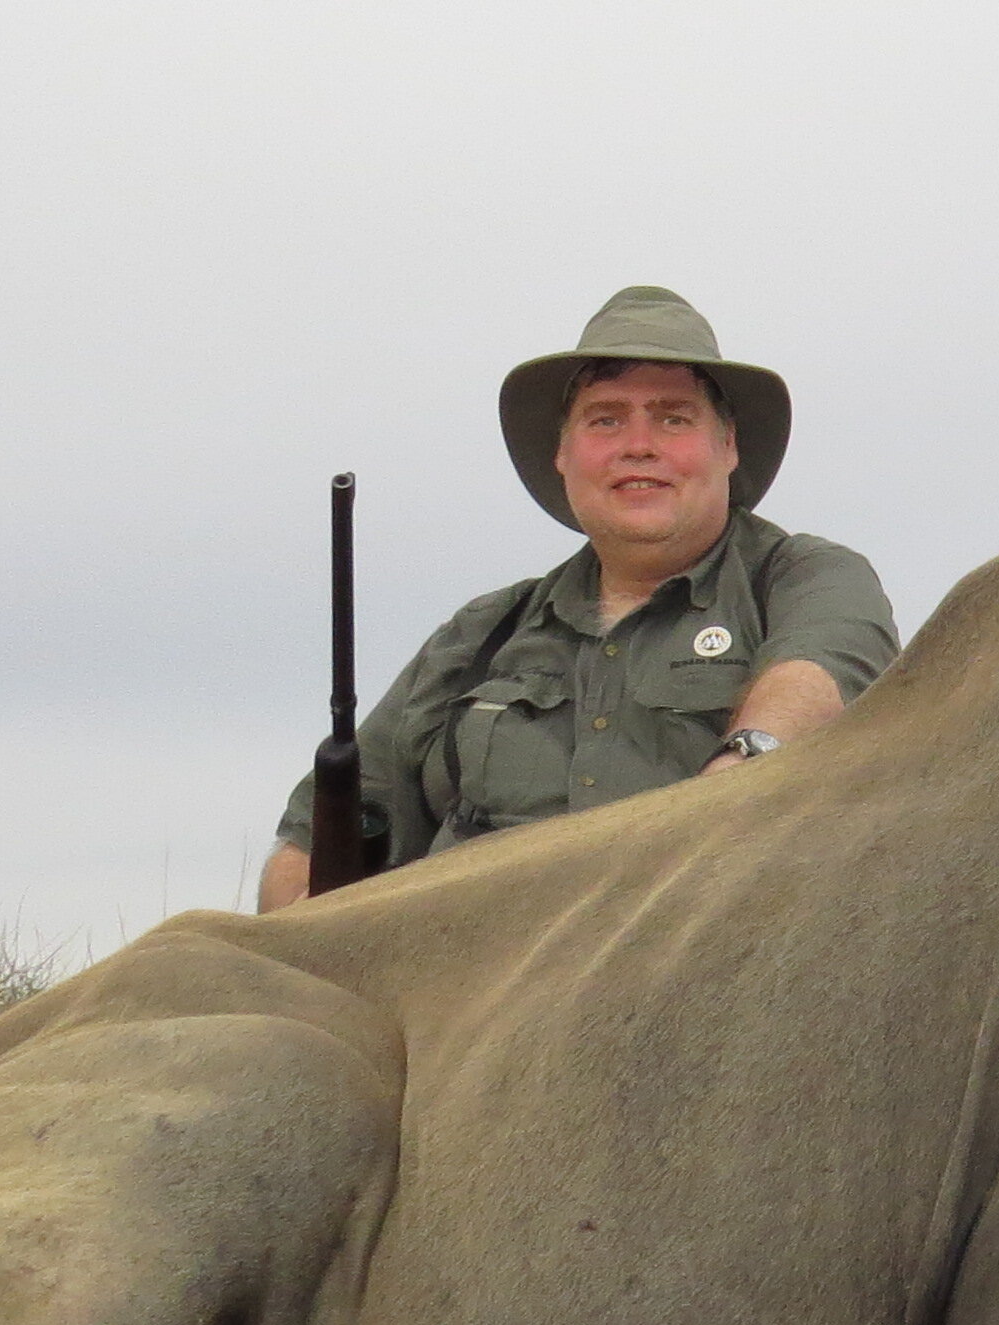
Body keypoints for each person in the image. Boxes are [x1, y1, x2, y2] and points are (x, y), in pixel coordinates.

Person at [257, 288, 896, 909]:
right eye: (606, 419)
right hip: (456, 978)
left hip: (701, 947)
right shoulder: (482, 634)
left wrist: (741, 770)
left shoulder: (805, 578)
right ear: (563, 454)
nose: (638, 444)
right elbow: (305, 855)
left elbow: (815, 682)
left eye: (674, 417)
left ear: (728, 446)